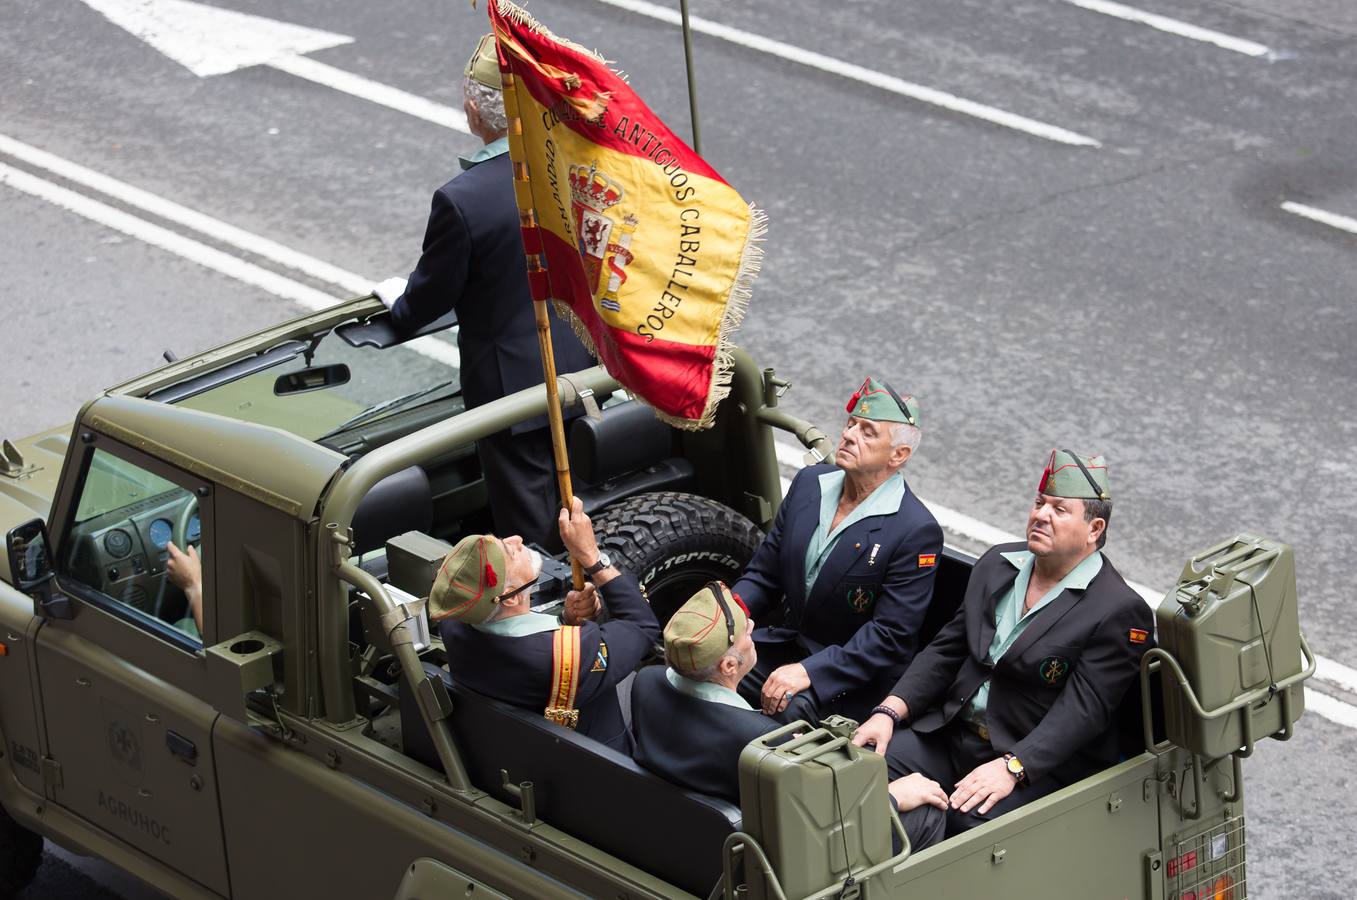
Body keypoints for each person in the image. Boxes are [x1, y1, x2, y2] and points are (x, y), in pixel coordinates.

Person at [852, 449, 1154, 849]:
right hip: (952, 735)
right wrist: (889, 711)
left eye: (1059, 510)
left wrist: (1014, 767)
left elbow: (1083, 711)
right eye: (1039, 503)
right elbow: (947, 650)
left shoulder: (1117, 609)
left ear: (1094, 529)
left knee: (969, 827)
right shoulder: (998, 564)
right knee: (858, 774)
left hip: (1029, 759)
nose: (1041, 515)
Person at [376, 34, 593, 548]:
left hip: (508, 394)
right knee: (581, 505)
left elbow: (428, 297)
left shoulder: (462, 200)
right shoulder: (569, 163)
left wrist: (397, 304)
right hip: (582, 370)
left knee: (529, 533)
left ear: (475, 109)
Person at [732, 376, 943, 723]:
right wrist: (729, 614)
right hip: (786, 646)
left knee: (788, 710)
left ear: (899, 455)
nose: (848, 435)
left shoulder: (915, 531)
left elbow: (888, 636)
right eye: (851, 424)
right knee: (699, 669)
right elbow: (764, 573)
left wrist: (809, 672)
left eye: (868, 431)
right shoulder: (809, 484)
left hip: (848, 676)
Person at [431, 497, 659, 752]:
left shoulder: (454, 625)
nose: (516, 539)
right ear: (513, 595)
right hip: (596, 759)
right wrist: (592, 557)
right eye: (509, 552)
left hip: (521, 745)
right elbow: (642, 626)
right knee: (656, 683)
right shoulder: (569, 657)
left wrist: (564, 621)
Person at [629, 582, 782, 802]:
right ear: (729, 666)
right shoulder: (760, 736)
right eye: (746, 633)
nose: (752, 626)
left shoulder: (647, 680)